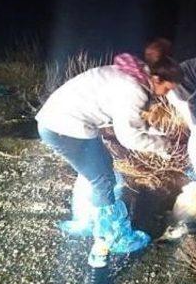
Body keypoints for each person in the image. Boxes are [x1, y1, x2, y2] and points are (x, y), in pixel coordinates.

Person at [36, 53, 182, 268]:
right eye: (167, 88)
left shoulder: (135, 74)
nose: (166, 94)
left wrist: (156, 135)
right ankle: (107, 243)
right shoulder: (135, 91)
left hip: (56, 120)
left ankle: (85, 221)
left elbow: (132, 122)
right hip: (65, 128)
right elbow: (129, 137)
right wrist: (164, 146)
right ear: (157, 79)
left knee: (94, 172)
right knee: (103, 180)